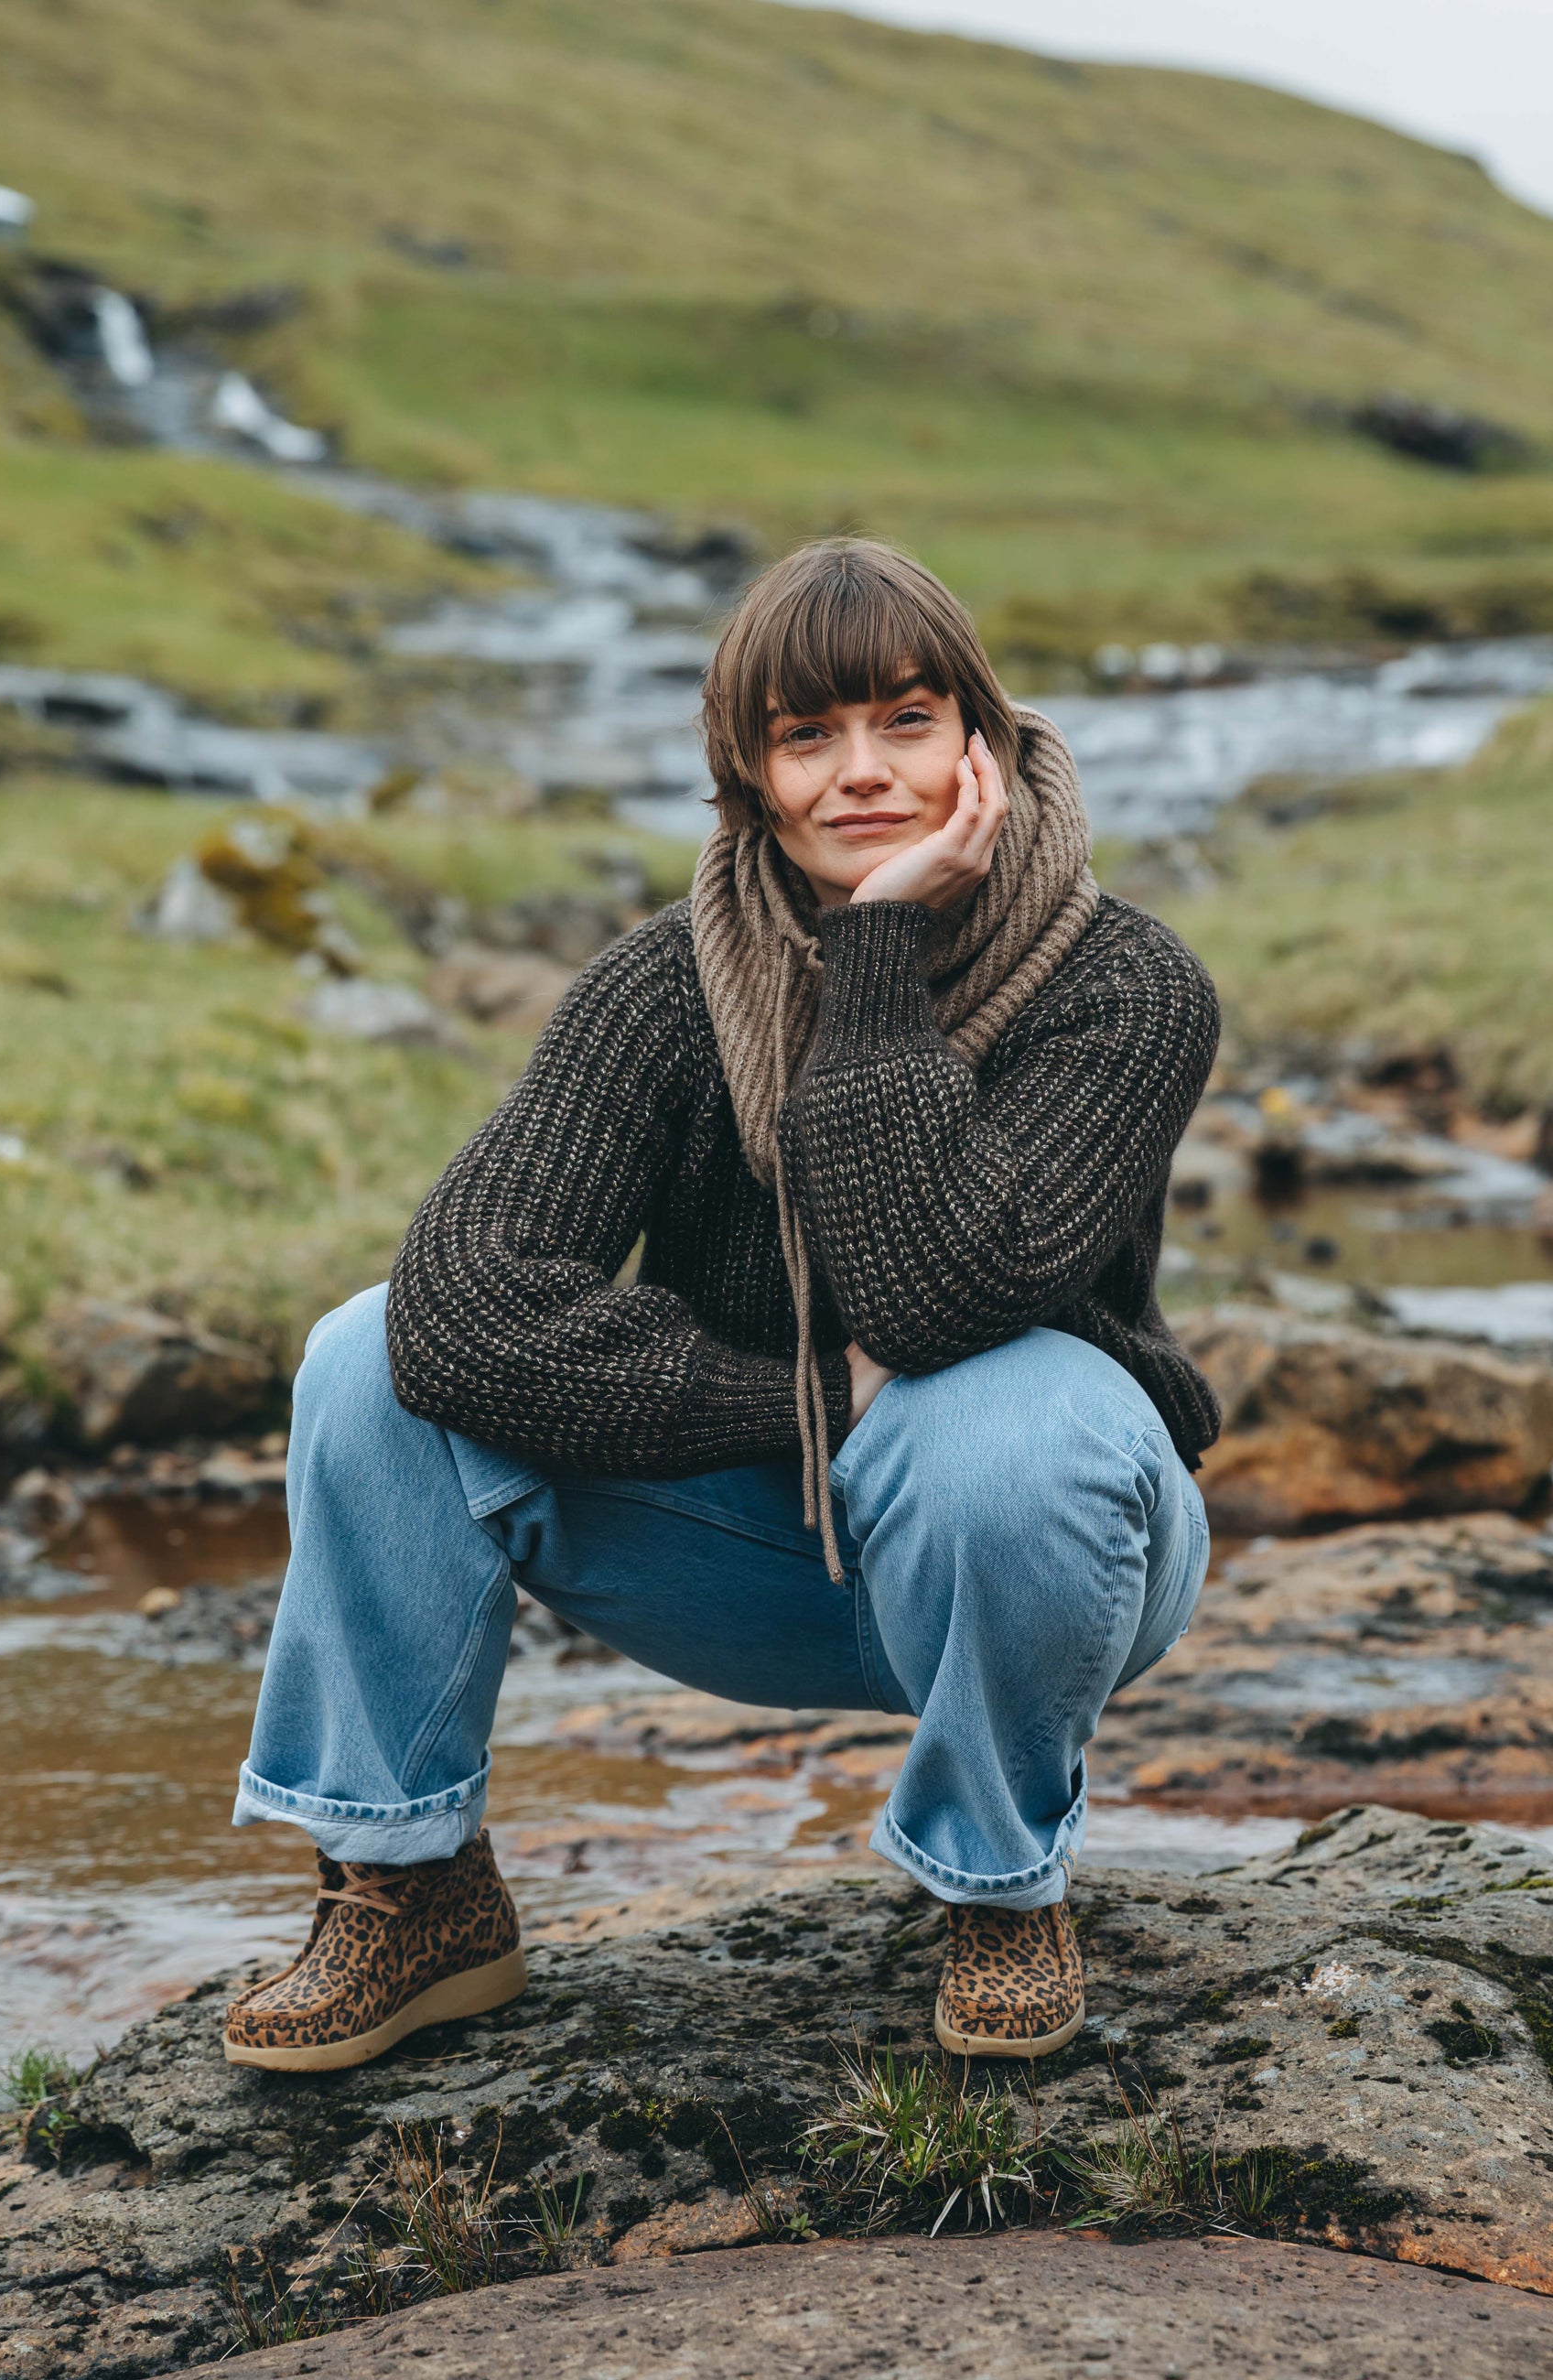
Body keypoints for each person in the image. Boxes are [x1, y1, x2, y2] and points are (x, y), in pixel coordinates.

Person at [223, 538, 1219, 2075]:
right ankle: (414, 1892)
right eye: (805, 736)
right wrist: (807, 1403)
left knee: (1001, 1416)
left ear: (985, 739)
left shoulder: (1124, 986)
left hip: (1038, 1547)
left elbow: (947, 1297)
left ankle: (1000, 1884)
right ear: (747, 778)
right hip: (757, 1545)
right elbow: (463, 1302)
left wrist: (879, 954)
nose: (862, 771)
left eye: (905, 718)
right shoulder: (664, 992)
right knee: (363, 1360)